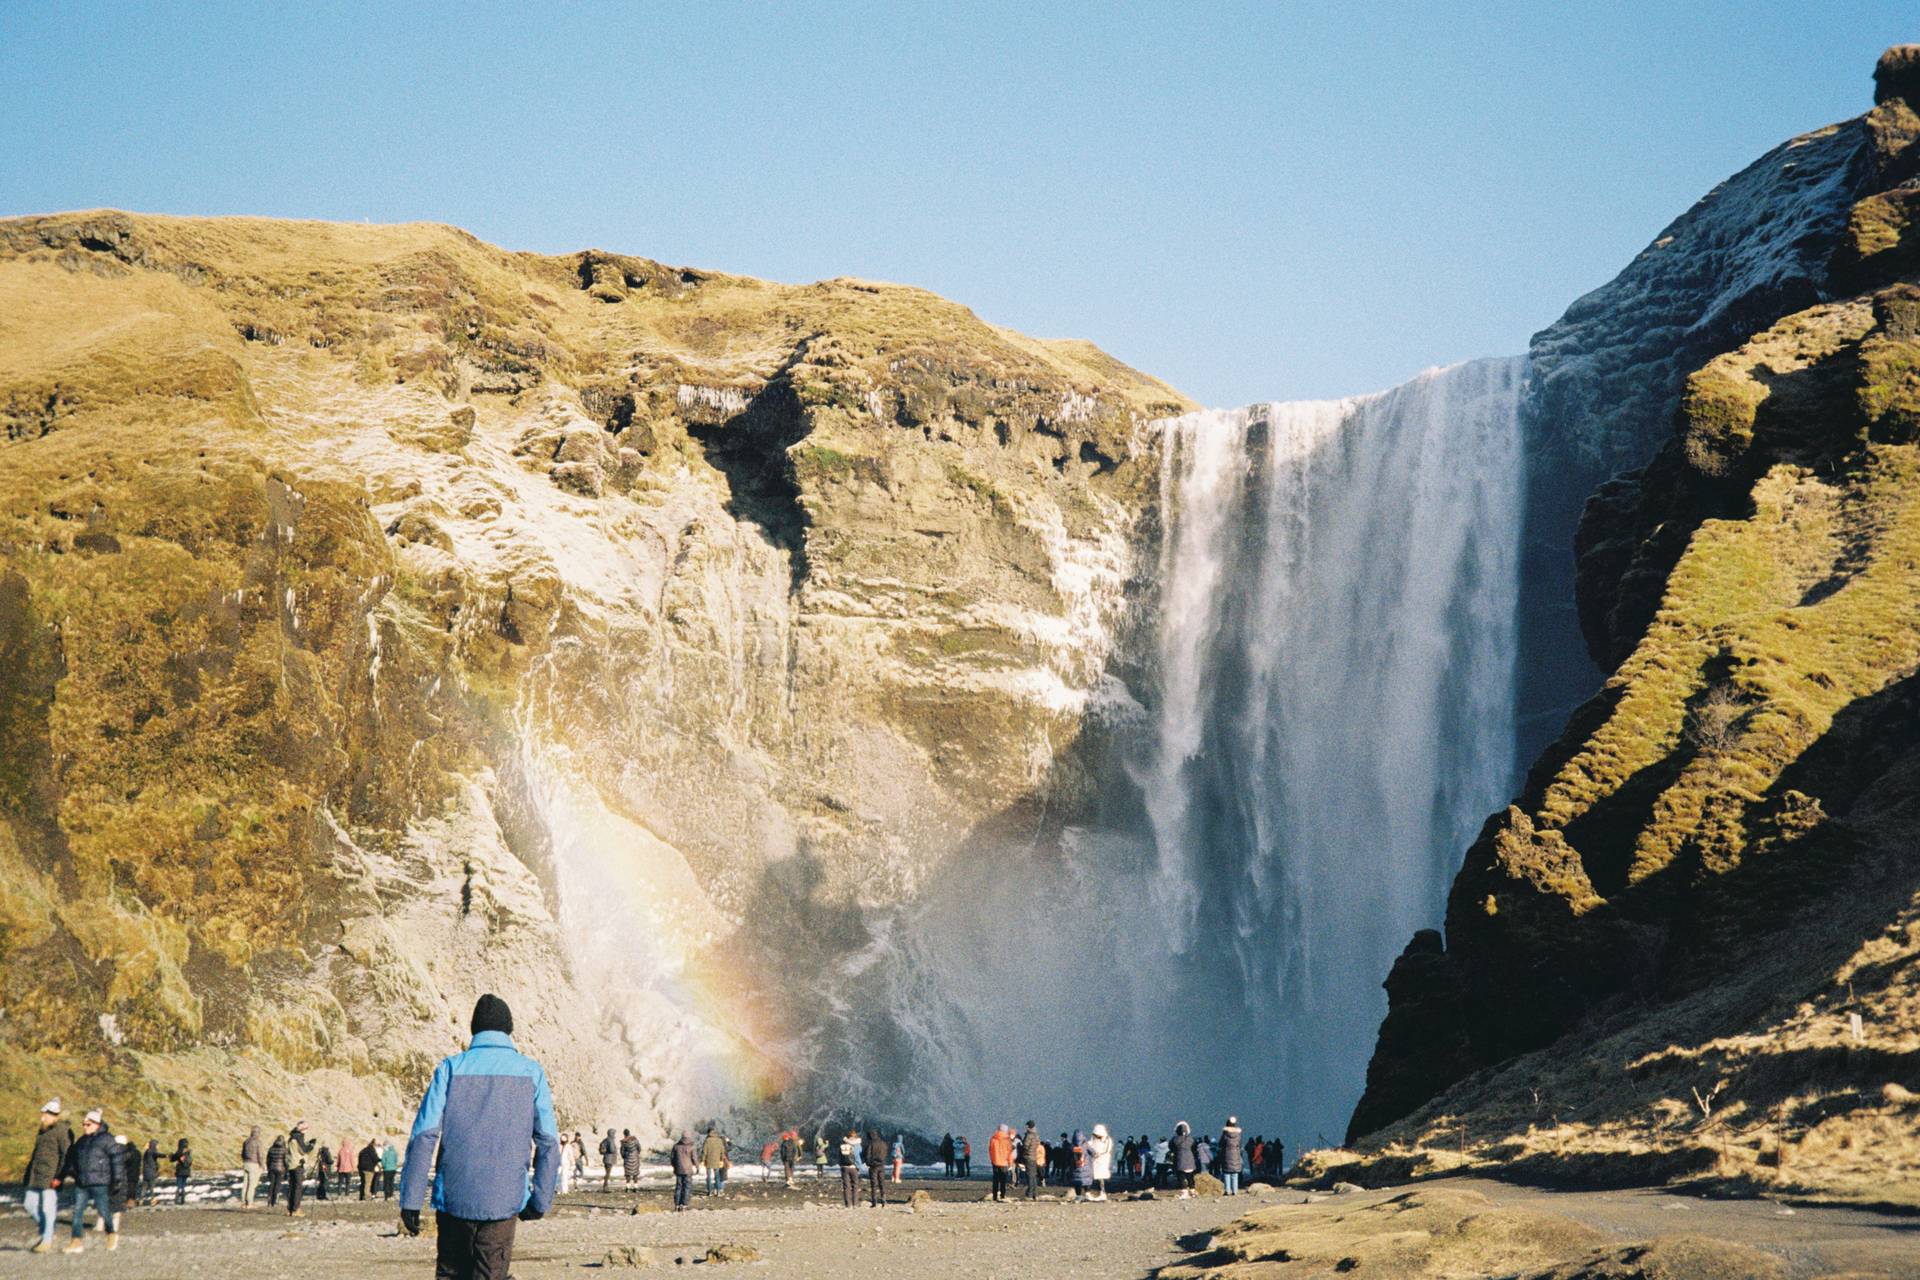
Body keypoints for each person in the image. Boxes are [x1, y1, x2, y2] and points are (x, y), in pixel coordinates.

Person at [398, 993, 559, 1280]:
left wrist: (410, 1199)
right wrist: (540, 1201)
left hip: (454, 1198)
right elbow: (547, 1141)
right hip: (503, 1200)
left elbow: (424, 1135)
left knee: (450, 1274)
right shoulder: (531, 1072)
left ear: (474, 1029)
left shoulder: (450, 1068)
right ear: (509, 1030)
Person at [60, 1109, 123, 1253]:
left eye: (88, 1124)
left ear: (96, 1124)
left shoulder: (107, 1139)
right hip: (82, 1182)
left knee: (103, 1209)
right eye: (83, 1124)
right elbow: (73, 1160)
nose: (84, 1127)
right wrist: (69, 1173)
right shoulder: (81, 1141)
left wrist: (117, 1180)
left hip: (99, 1182)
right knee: (77, 1212)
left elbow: (116, 1160)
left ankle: (111, 1233)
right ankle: (76, 1241)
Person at [22, 1098, 70, 1253]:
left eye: (45, 1115)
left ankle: (47, 1239)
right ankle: (47, 1230)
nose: (42, 1118)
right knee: (29, 1204)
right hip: (36, 1175)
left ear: (54, 1116)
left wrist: (59, 1176)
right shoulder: (42, 1131)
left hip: (51, 1176)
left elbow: (66, 1155)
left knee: (49, 1208)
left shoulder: (61, 1131)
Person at [285, 1122, 314, 1216]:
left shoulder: (292, 1137)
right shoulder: (298, 1137)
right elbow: (303, 1150)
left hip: (291, 1164)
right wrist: (311, 1145)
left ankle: (290, 1209)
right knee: (297, 1188)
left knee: (292, 1187)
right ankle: (295, 1209)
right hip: (297, 1164)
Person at [1169, 1122, 1197, 1199]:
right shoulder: (1191, 1139)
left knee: (1181, 1177)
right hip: (1190, 1158)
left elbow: (1171, 1147)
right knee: (1190, 1176)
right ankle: (1193, 1191)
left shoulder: (1175, 1139)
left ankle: (1184, 1192)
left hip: (1179, 1158)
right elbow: (1195, 1147)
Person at [987, 1124, 1014, 1202]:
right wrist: (1010, 1163)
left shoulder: (993, 1138)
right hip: (1004, 1162)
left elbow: (990, 1150)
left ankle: (995, 1196)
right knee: (1003, 1180)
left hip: (995, 1162)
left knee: (995, 1180)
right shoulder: (1007, 1140)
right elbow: (1009, 1153)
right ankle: (1002, 1195)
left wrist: (992, 1160)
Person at [863, 1128, 889, 1207]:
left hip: (873, 1166)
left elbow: (867, 1156)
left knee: (874, 1184)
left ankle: (874, 1202)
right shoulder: (884, 1143)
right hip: (881, 1165)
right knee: (882, 1183)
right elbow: (885, 1153)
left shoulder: (870, 1144)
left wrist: (868, 1163)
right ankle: (883, 1200)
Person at [670, 1132, 697, 1210]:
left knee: (678, 1187)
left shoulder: (676, 1146)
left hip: (678, 1170)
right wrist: (697, 1167)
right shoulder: (692, 1146)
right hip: (688, 1170)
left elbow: (672, 1158)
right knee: (687, 1187)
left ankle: (677, 1204)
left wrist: (675, 1166)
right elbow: (694, 1158)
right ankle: (684, 1204)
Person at [1087, 1124, 1113, 1201]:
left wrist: (1099, 1154)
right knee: (1095, 1177)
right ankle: (1096, 1193)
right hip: (1095, 1161)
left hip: (1102, 1161)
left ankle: (1102, 1193)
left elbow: (1106, 1150)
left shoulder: (1107, 1140)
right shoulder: (1093, 1140)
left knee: (1101, 1177)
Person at [240, 1126, 264, 1208]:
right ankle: (250, 1203)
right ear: (257, 1133)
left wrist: (244, 1160)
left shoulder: (246, 1141)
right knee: (252, 1184)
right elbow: (260, 1155)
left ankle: (243, 1203)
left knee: (245, 1184)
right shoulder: (258, 1142)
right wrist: (262, 1165)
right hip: (254, 1164)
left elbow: (242, 1153)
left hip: (246, 1163)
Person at [1219, 1116, 1244, 1195]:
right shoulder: (1238, 1135)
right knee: (1235, 1173)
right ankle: (1235, 1191)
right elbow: (1239, 1145)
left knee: (1227, 1173)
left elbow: (1221, 1143)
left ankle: (1227, 1190)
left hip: (1227, 1154)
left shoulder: (1225, 1134)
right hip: (1236, 1155)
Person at [702, 1128, 729, 1196]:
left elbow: (704, 1151)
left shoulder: (707, 1140)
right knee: (717, 1176)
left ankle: (710, 1191)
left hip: (708, 1161)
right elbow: (722, 1151)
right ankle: (718, 1191)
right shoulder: (719, 1140)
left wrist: (703, 1159)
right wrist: (722, 1159)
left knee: (708, 1177)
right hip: (717, 1161)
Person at [835, 1127, 858, 1208]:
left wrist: (840, 1165)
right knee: (854, 1185)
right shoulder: (855, 1145)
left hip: (844, 1167)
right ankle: (855, 1204)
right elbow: (857, 1157)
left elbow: (839, 1156)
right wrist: (858, 1166)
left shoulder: (842, 1146)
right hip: (853, 1167)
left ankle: (848, 1205)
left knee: (846, 1186)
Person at [1019, 1122, 1043, 1200]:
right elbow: (1038, 1144)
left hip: (1028, 1156)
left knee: (1029, 1175)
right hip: (1034, 1157)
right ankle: (1035, 1193)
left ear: (1029, 1127)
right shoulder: (1036, 1135)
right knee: (1033, 1175)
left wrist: (1022, 1150)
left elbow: (1025, 1145)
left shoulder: (1029, 1135)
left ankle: (1029, 1194)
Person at [1067, 1129, 1091, 1202]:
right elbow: (1093, 1152)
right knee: (1086, 1181)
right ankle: (1087, 1195)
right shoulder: (1086, 1145)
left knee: (1077, 1182)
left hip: (1075, 1168)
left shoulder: (1072, 1146)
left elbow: (1068, 1156)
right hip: (1085, 1167)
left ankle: (1078, 1196)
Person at [265, 1131, 288, 1205]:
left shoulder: (271, 1149)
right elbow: (286, 1161)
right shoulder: (284, 1149)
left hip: (271, 1168)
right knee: (278, 1184)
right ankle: (275, 1200)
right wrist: (286, 1170)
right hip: (281, 1169)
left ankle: (269, 1198)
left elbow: (268, 1159)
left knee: (272, 1184)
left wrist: (268, 1168)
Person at [140, 1138, 161, 1208]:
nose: (158, 1146)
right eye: (157, 1145)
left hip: (146, 1172)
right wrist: (166, 1155)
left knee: (144, 1187)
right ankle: (153, 1200)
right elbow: (157, 1156)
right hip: (151, 1172)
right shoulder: (152, 1152)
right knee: (151, 1187)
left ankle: (141, 1199)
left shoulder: (147, 1152)